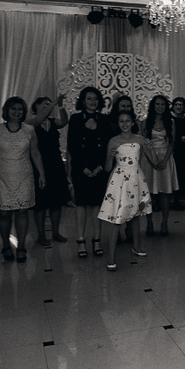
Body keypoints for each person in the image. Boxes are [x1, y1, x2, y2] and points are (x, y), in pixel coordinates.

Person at [0, 97, 45, 263]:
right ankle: (6, 245)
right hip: (2, 176)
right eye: (13, 109)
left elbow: (35, 153)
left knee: (22, 211)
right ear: (7, 111)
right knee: (4, 212)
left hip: (24, 176)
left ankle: (21, 246)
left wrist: (42, 174)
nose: (17, 112)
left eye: (20, 109)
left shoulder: (29, 130)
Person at [98, 110, 152, 271]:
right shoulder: (113, 141)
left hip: (135, 178)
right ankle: (111, 255)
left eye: (127, 120)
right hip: (120, 179)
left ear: (133, 122)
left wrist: (151, 148)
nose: (125, 124)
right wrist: (110, 157)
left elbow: (154, 160)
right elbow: (107, 167)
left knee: (135, 215)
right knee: (117, 217)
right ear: (118, 123)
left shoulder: (140, 139)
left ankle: (136, 246)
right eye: (121, 121)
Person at [67, 87, 110, 258]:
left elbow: (107, 144)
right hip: (81, 168)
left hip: (99, 167)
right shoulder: (75, 119)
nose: (93, 102)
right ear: (83, 101)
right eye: (89, 98)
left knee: (97, 204)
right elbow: (72, 145)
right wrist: (82, 167)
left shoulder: (104, 119)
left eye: (96, 98)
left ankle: (97, 240)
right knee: (81, 204)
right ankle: (80, 241)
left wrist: (100, 166)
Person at [29, 95, 70, 246]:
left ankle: (56, 232)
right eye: (45, 104)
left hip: (55, 164)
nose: (49, 107)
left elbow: (64, 121)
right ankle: (41, 235)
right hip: (38, 165)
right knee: (40, 203)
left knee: (56, 202)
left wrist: (60, 106)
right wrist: (53, 104)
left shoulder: (53, 122)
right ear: (37, 105)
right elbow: (37, 121)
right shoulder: (30, 123)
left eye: (49, 104)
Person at [143, 95, 179, 236]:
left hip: (165, 157)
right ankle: (149, 222)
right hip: (149, 158)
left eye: (163, 104)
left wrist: (164, 160)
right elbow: (144, 143)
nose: (160, 107)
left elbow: (172, 142)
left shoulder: (171, 122)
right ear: (153, 106)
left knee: (165, 191)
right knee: (148, 192)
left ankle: (164, 222)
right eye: (157, 104)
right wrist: (151, 160)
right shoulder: (145, 122)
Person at [171, 97, 185, 210]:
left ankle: (180, 199)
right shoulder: (169, 119)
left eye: (181, 105)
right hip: (170, 149)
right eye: (176, 104)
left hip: (182, 150)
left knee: (182, 174)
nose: (178, 107)